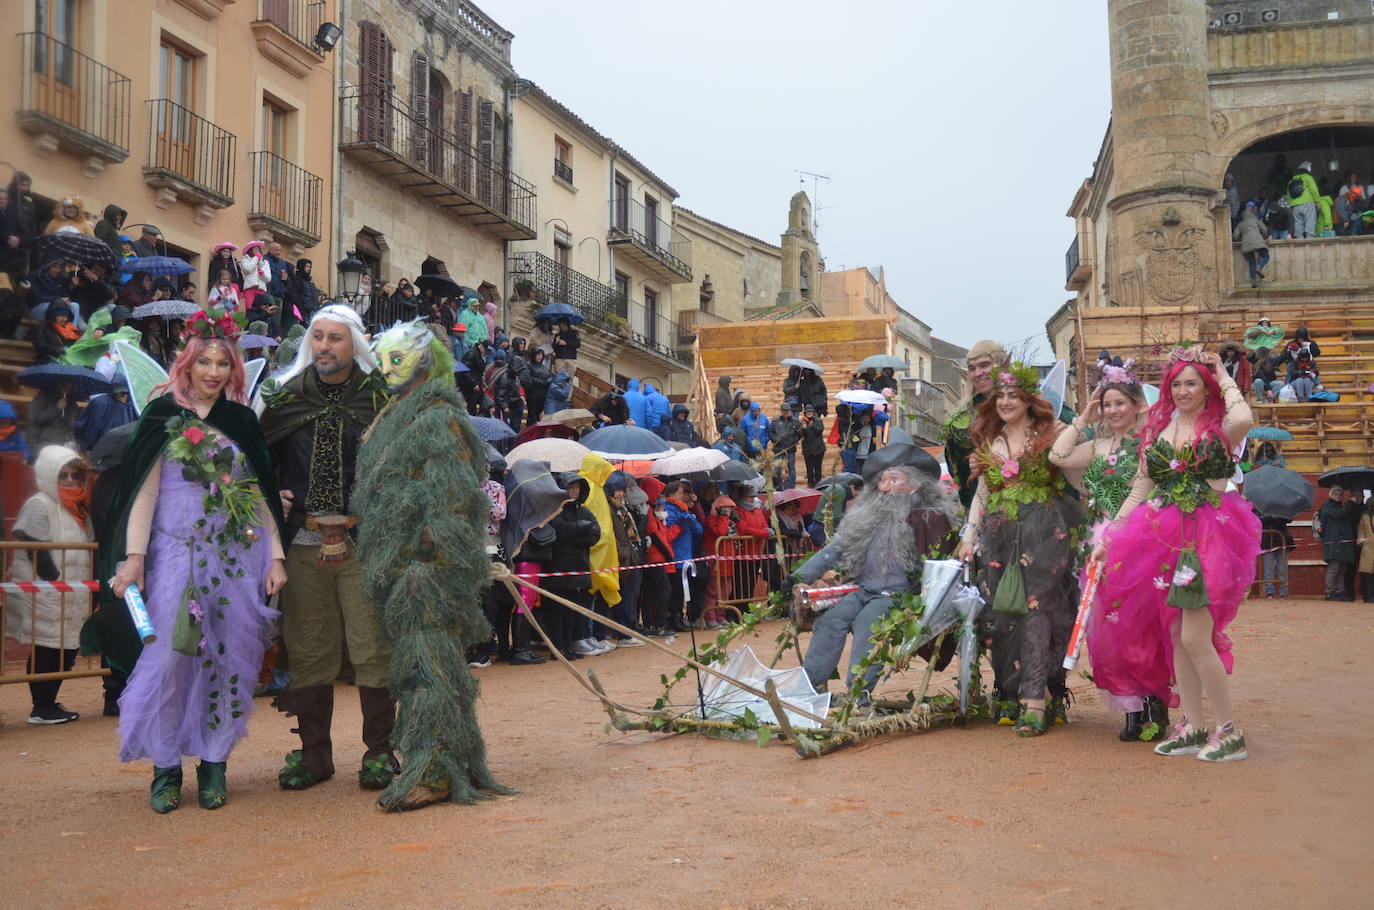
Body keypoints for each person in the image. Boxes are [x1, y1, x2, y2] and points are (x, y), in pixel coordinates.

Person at [96, 308, 286, 812]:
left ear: (233, 370)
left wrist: (277, 556)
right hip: (174, 557)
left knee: (226, 658)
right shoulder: (163, 416)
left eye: (223, 364)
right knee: (170, 659)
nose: (213, 372)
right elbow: (143, 493)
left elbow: (259, 493)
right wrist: (134, 558)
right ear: (187, 363)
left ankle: (214, 763)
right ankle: (164, 769)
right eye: (204, 361)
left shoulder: (241, 420)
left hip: (234, 559)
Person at [352, 321, 510, 811]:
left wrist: (421, 559)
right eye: (382, 359)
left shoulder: (438, 417)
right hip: (402, 568)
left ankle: (435, 769)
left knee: (428, 669)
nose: (387, 369)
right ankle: (446, 760)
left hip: (424, 572)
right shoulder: (394, 415)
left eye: (397, 359)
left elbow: (451, 499)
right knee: (427, 666)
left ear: (424, 359)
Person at [256, 305, 398, 794]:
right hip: (302, 541)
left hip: (364, 543)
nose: (324, 347)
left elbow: (402, 469)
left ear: (352, 344)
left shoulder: (379, 398)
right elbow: (257, 463)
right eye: (317, 337)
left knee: (371, 644)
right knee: (307, 646)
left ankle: (380, 753)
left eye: (335, 338)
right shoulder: (284, 398)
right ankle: (314, 755)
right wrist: (272, 493)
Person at [1091, 347, 1258, 762]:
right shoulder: (1159, 432)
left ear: (1206, 388)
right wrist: (1109, 537)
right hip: (1163, 541)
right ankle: (1194, 726)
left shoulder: (1221, 426)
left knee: (1195, 638)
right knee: (1175, 639)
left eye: (1192, 383)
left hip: (1208, 539)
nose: (1183, 390)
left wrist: (1221, 372)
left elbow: (1244, 419)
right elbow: (1141, 489)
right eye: (1177, 383)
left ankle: (1228, 730)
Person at [958, 362, 1080, 735]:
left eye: (1014, 395)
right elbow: (982, 493)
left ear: (1029, 399)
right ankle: (1014, 690)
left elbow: (1077, 471)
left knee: (1038, 612)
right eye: (1001, 396)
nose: (1007, 401)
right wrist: (968, 536)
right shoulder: (990, 441)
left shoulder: (1052, 432)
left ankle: (1036, 700)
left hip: (1045, 535)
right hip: (998, 538)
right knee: (1001, 616)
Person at [1049, 360, 1163, 740]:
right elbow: (1058, 457)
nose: (1113, 411)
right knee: (1109, 630)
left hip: (1138, 540)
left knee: (1140, 627)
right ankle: (1129, 707)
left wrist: (1117, 533)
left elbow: (1139, 491)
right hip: (1096, 544)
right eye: (1107, 405)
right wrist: (1082, 416)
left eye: (1119, 404)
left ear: (1135, 405)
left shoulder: (1147, 444)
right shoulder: (1096, 447)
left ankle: (1153, 699)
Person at [793, 446, 956, 703]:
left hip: (895, 594)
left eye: (894, 479)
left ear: (913, 485)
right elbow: (837, 547)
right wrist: (798, 576)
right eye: (882, 480)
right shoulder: (865, 515)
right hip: (863, 589)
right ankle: (809, 689)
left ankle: (858, 695)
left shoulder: (927, 517)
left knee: (868, 624)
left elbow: (939, 565)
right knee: (829, 621)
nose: (886, 486)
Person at [11, 445, 92, 725]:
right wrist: (53, 579)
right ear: (48, 475)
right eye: (63, 475)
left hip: (70, 591)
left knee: (66, 649)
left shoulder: (79, 506)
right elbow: (28, 538)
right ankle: (41, 706)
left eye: (75, 475)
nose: (70, 480)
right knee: (48, 647)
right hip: (48, 591)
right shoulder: (39, 503)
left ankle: (48, 703)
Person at [543, 472, 601, 660]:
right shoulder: (554, 509)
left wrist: (575, 533)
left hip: (578, 568)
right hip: (557, 569)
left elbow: (595, 534)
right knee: (556, 612)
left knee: (571, 612)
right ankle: (557, 647)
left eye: (576, 487)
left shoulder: (584, 511)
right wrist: (581, 529)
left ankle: (567, 646)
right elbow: (560, 532)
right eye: (570, 487)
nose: (574, 491)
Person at [944, 340, 1003, 510]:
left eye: (985, 365)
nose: (978, 373)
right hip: (981, 508)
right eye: (972, 368)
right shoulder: (960, 420)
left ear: (1001, 365)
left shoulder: (1028, 402)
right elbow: (956, 469)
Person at [1317, 486, 1359, 602]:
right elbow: (1339, 514)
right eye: (1336, 494)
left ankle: (1339, 591)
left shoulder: (1342, 506)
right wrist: (1350, 503)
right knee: (1334, 568)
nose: (1338, 496)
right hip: (1333, 542)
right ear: (1331, 495)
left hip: (1342, 543)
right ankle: (1330, 591)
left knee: (1342, 568)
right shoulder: (1327, 506)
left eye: (1340, 494)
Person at [75, 377, 136, 452]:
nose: (126, 396)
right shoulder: (100, 403)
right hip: (97, 448)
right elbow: (90, 427)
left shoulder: (129, 407)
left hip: (116, 450)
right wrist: (88, 447)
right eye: (123, 393)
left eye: (127, 393)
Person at [28, 381, 79, 453]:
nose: (70, 386)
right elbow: (37, 418)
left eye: (71, 384)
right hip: (46, 443)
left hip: (66, 443)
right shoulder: (44, 396)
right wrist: (57, 408)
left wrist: (72, 443)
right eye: (67, 383)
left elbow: (70, 427)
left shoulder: (71, 402)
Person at [1233, 202, 1270, 288]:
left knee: (1251, 263)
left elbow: (1235, 236)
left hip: (1246, 245)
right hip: (1258, 242)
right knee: (1266, 256)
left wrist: (1241, 239)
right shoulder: (1255, 220)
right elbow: (1264, 229)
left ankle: (1253, 282)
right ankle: (1259, 266)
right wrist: (1264, 237)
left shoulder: (1240, 224)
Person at [1259, 514, 1293, 599]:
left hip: (1282, 540)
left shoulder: (1282, 507)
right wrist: (1271, 517)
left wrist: (1280, 516)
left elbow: (1290, 519)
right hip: (1268, 541)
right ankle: (1269, 592)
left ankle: (1283, 592)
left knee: (1282, 569)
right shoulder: (1260, 507)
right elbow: (1257, 519)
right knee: (1268, 568)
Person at [771, 400, 802, 489]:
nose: (785, 412)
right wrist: (775, 439)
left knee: (791, 467)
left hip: (790, 448)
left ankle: (791, 485)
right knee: (777, 468)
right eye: (784, 410)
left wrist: (793, 440)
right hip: (778, 448)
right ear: (781, 411)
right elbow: (771, 432)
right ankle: (777, 485)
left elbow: (799, 434)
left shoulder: (795, 422)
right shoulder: (775, 422)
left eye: (787, 410)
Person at [1286, 161, 1319, 239]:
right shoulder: (1308, 177)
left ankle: (1299, 243)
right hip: (1307, 203)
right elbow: (1313, 190)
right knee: (1310, 224)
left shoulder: (1291, 181)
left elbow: (1288, 194)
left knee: (1298, 227)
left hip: (1295, 205)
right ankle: (1310, 243)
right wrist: (1317, 201)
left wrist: (1291, 205)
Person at [264, 242, 293, 331]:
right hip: (269, 292)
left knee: (277, 320)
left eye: (280, 251)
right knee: (269, 317)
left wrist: (286, 278)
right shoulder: (264, 260)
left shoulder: (282, 262)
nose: (279, 253)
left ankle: (274, 340)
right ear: (270, 250)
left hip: (279, 293)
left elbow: (286, 277)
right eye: (276, 250)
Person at [801, 403, 826, 487]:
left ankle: (818, 483)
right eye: (807, 412)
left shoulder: (818, 420)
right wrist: (804, 428)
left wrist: (813, 426)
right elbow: (801, 434)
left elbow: (819, 431)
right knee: (809, 468)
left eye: (810, 412)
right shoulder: (803, 421)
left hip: (818, 448)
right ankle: (810, 483)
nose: (809, 414)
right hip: (808, 449)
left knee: (818, 467)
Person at [1357, 498, 1374, 603]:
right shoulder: (1365, 517)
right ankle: (1369, 595)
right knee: (1368, 574)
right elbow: (1361, 530)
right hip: (1368, 548)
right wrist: (1363, 542)